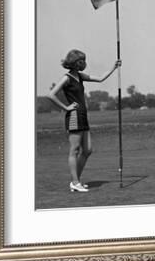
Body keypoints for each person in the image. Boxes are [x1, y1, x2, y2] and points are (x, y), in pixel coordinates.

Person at [48, 49, 121, 192]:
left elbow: (100, 78)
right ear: (74, 63)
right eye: (80, 61)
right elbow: (51, 95)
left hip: (83, 115)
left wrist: (114, 67)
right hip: (74, 115)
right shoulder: (67, 77)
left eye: (84, 60)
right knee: (74, 150)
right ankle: (75, 182)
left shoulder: (80, 76)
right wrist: (66, 107)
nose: (83, 63)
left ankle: (76, 181)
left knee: (87, 150)